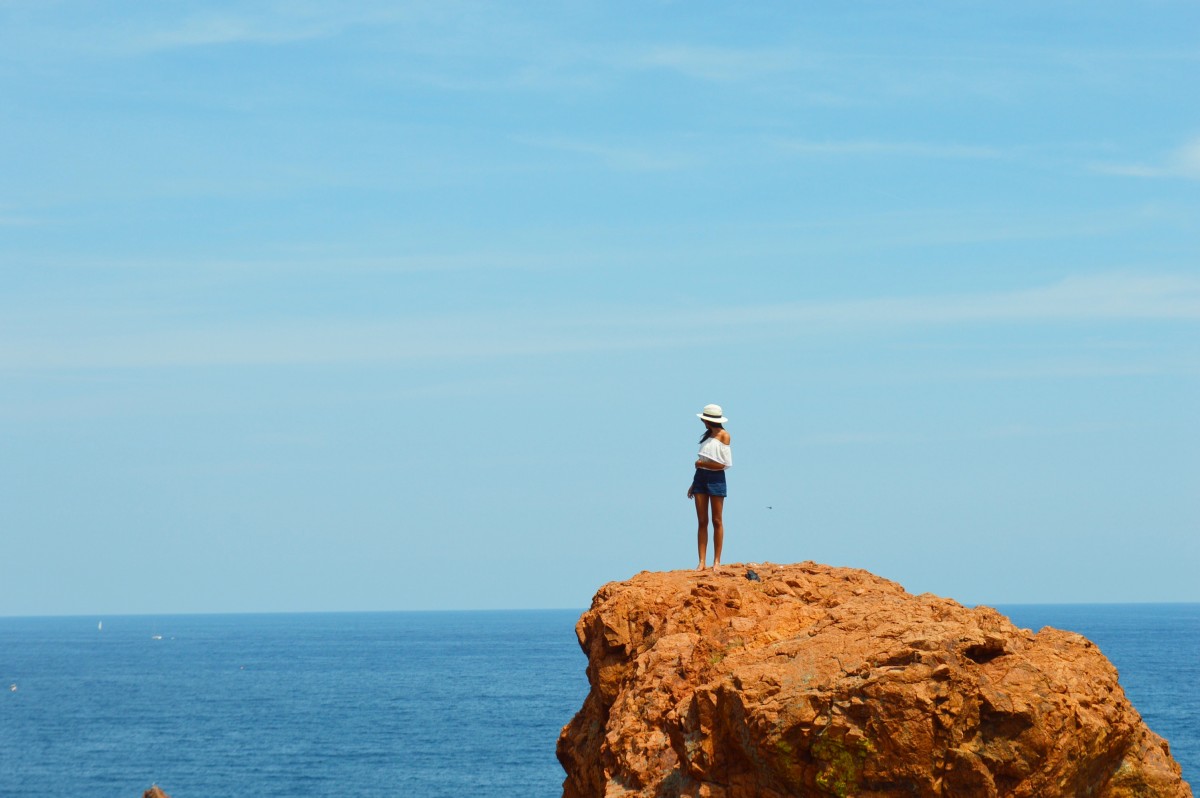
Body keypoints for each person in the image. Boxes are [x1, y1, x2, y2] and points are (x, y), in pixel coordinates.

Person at [687, 403, 732, 569]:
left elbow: (724, 465)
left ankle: (717, 561)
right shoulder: (707, 436)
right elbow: (703, 462)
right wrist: (694, 483)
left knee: (717, 520)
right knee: (702, 521)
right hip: (700, 477)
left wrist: (700, 464)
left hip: (716, 478)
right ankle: (701, 562)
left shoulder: (724, 436)